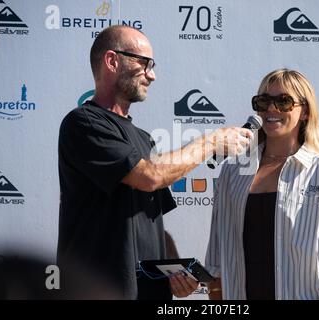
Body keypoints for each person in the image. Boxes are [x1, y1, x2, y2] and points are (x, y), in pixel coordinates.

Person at [57, 25, 252, 300]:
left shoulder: (143, 138)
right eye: (145, 63)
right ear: (112, 61)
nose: (152, 75)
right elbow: (149, 177)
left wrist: (175, 270)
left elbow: (153, 223)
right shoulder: (83, 123)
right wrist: (211, 142)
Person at [205, 69, 319, 300]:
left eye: (284, 101)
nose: (271, 109)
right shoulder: (232, 171)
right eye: (263, 101)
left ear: (305, 112)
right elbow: (219, 246)